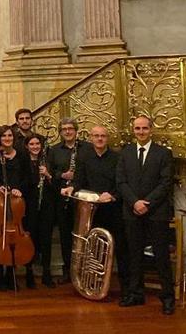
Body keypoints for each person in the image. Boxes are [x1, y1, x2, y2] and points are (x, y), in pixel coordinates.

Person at [115, 116, 174, 314]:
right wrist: (135, 202)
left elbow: (166, 183)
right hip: (132, 211)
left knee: (161, 256)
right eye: (137, 128)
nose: (141, 132)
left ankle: (167, 297)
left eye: (144, 128)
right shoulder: (125, 153)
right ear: (133, 130)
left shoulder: (164, 153)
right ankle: (136, 294)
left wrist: (146, 203)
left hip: (156, 212)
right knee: (134, 255)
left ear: (151, 130)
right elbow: (121, 181)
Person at [62, 126, 129, 299]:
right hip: (93, 210)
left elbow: (123, 182)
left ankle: (126, 288)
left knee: (120, 248)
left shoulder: (117, 157)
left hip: (113, 209)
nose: (99, 139)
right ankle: (91, 284)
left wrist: (112, 195)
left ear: (108, 138)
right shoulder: (85, 157)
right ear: (91, 138)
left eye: (103, 136)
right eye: (96, 136)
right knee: (92, 248)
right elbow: (79, 179)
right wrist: (71, 188)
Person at [45, 117, 90, 283]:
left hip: (82, 197)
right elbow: (50, 173)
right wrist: (62, 175)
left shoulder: (86, 148)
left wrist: (76, 179)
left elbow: (90, 171)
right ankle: (68, 270)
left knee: (83, 235)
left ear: (76, 130)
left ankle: (84, 270)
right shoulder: (54, 150)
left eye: (70, 128)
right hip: (62, 197)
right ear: (60, 132)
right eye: (64, 129)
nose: (68, 131)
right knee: (65, 235)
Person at [0, 126, 31, 292]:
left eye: (10, 135)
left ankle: (11, 275)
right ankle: (0, 277)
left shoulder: (22, 155)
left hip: (17, 202)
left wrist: (19, 188)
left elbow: (29, 177)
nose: (7, 138)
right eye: (4, 136)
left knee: (15, 240)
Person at [24, 134, 57, 288]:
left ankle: (46, 273)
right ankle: (29, 272)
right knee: (31, 239)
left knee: (46, 239)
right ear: (27, 146)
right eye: (32, 144)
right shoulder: (23, 162)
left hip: (47, 205)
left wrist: (48, 175)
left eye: (38, 144)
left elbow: (56, 185)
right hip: (29, 206)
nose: (35, 146)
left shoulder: (48, 162)